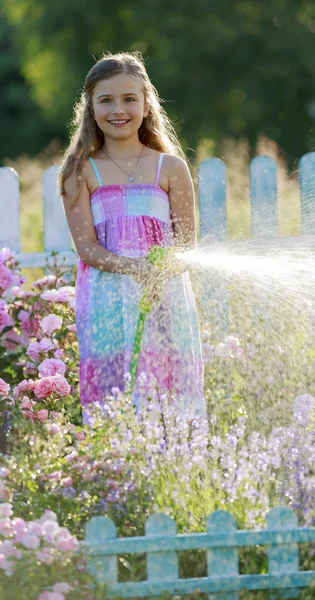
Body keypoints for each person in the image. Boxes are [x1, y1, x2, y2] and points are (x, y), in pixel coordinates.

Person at [58, 51, 206, 418]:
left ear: (146, 104)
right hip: (106, 299)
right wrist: (135, 267)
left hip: (163, 294)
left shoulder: (169, 168)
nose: (117, 109)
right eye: (105, 100)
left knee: (166, 394)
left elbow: (186, 244)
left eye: (129, 99)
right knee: (116, 396)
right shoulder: (80, 172)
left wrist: (158, 271)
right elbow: (87, 249)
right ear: (90, 107)